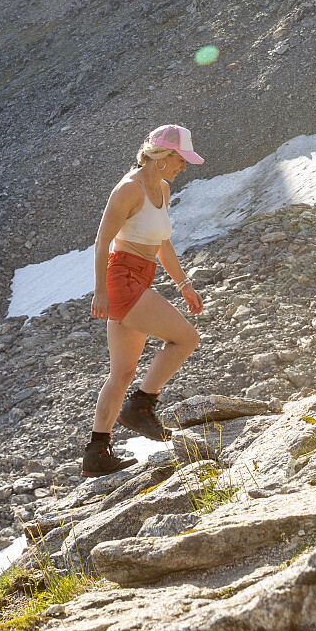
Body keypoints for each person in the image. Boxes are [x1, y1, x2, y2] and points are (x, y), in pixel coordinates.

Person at [82, 124, 206, 476]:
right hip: (121, 278)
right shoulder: (128, 189)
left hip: (141, 276)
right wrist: (100, 291)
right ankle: (140, 406)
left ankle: (96, 453)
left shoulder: (162, 188)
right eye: (181, 159)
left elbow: (162, 243)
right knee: (186, 338)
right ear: (163, 157)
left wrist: (184, 284)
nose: (184, 167)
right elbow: (102, 242)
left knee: (122, 373)